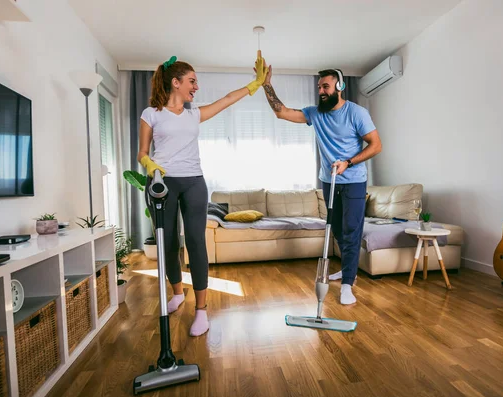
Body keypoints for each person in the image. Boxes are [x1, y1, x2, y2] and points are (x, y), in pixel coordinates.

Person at [137, 53, 268, 336]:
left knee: (196, 241)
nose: (196, 87)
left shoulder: (194, 113)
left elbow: (227, 100)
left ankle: (201, 311)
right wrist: (149, 165)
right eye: (192, 81)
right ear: (176, 83)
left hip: (194, 182)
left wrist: (255, 84)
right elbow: (142, 153)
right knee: (168, 242)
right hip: (163, 184)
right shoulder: (151, 114)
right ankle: (177, 293)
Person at [261, 66, 382, 305]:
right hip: (329, 181)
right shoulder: (316, 113)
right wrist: (266, 84)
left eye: (325, 86)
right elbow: (282, 112)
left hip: (354, 181)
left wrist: (348, 162)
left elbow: (376, 145)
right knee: (336, 228)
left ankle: (348, 282)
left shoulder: (356, 113)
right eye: (319, 88)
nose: (321, 92)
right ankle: (348, 269)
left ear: (340, 86)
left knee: (351, 229)